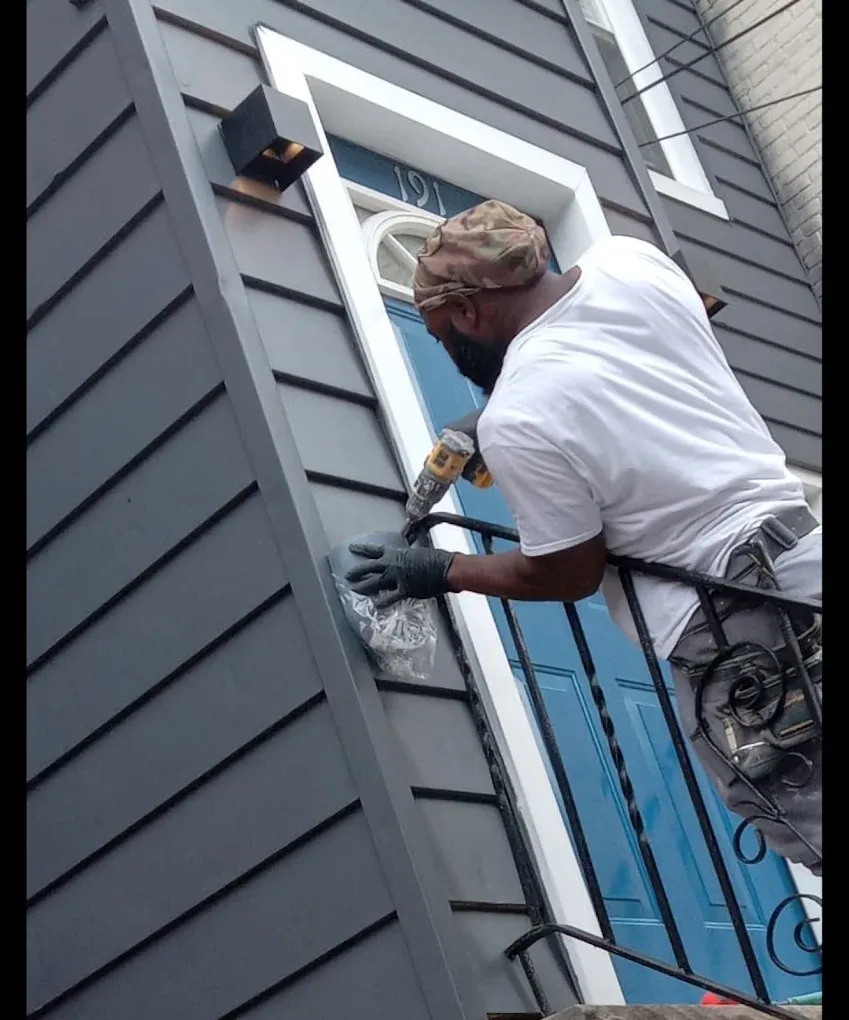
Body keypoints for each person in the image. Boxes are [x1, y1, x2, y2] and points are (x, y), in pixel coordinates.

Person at [346, 200, 822, 874]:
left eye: (441, 333)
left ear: (471, 314)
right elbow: (623, 369)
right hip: (805, 558)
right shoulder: (631, 261)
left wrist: (440, 571)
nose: (449, 351)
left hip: (737, 632)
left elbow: (563, 573)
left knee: (801, 811)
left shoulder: (522, 412)